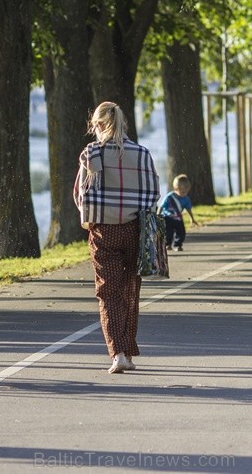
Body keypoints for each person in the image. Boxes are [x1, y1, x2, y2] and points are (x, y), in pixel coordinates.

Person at [73, 102, 160, 374]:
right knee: (130, 290)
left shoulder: (91, 153)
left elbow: (79, 193)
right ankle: (129, 352)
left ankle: (118, 353)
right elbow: (154, 192)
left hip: (103, 230)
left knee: (108, 292)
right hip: (134, 228)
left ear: (98, 125)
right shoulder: (142, 154)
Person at [157, 174, 199, 251]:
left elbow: (188, 209)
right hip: (168, 218)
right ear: (176, 188)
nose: (184, 193)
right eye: (182, 191)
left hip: (178, 218)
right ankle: (167, 244)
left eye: (186, 191)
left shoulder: (186, 198)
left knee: (181, 232)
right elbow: (161, 206)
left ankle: (177, 245)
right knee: (168, 232)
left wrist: (192, 219)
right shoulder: (169, 197)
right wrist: (158, 216)